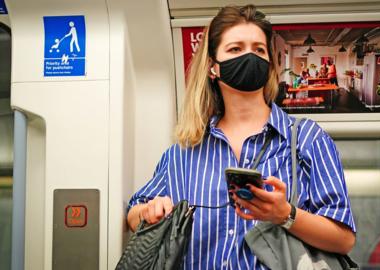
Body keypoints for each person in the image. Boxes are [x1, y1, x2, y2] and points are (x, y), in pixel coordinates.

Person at [127, 5, 356, 269]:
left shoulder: (307, 139)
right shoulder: (183, 152)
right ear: (213, 67)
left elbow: (344, 239)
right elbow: (134, 215)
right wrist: (149, 212)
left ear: (269, 63)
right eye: (236, 49)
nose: (249, 57)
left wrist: (285, 215)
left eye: (259, 50)